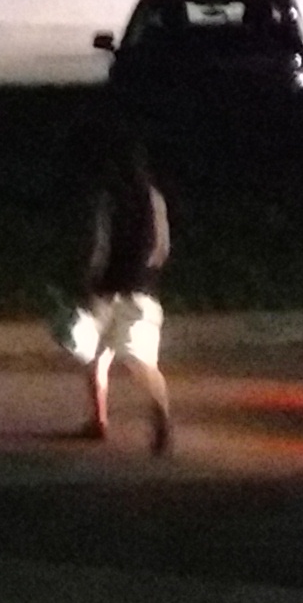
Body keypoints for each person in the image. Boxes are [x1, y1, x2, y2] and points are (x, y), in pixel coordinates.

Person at [76, 138, 174, 452]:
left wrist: (91, 277)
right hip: (142, 291)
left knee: (95, 355)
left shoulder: (109, 199)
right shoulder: (153, 197)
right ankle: (161, 416)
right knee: (141, 362)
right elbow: (161, 248)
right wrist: (144, 274)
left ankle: (99, 420)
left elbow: (100, 245)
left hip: (107, 289)